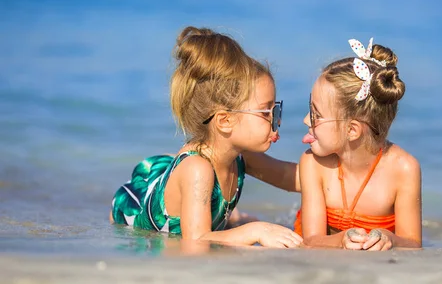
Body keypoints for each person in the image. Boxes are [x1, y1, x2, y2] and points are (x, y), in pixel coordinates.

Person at [111, 26, 302, 248]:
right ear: (224, 121)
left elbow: (291, 178)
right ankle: (229, 217)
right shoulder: (198, 170)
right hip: (134, 201)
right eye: (265, 112)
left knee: (217, 214)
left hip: (182, 178)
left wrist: (341, 173)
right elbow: (196, 240)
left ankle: (228, 216)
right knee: (229, 221)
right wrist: (256, 231)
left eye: (276, 109)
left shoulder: (241, 156)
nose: (275, 120)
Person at [294, 37, 422, 250]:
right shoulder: (312, 163)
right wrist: (341, 240)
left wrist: (389, 238)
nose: (306, 120)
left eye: (316, 114)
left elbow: (413, 243)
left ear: (352, 130)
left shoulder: (404, 169)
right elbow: (312, 241)